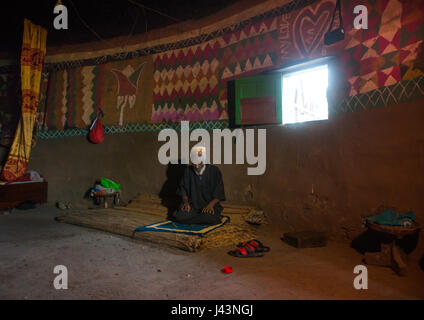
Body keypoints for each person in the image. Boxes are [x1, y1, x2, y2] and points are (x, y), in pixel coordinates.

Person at [173, 146, 225, 225]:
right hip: (192, 207)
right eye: (194, 162)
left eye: (199, 162)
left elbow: (219, 192)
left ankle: (200, 219)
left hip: (208, 206)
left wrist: (210, 205)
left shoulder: (215, 171)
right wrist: (186, 203)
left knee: (209, 217)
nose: (196, 166)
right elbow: (183, 191)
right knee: (179, 216)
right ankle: (202, 219)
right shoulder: (187, 171)